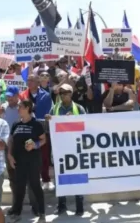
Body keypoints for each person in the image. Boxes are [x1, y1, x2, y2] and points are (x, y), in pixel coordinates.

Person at [45, 84, 86, 215]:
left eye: (66, 92)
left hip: (75, 149)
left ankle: (79, 206)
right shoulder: (54, 109)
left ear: (71, 94)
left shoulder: (79, 108)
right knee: (60, 178)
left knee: (78, 178)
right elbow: (48, 129)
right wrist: (48, 121)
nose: (63, 95)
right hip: (59, 149)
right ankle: (61, 205)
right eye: (61, 93)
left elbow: (87, 126)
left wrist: (73, 120)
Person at [8, 99, 48, 222]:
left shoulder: (36, 124)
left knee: (35, 185)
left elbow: (43, 140)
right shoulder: (16, 124)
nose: (18, 109)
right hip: (19, 161)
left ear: (27, 108)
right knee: (19, 187)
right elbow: (11, 140)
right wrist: (10, 155)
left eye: (20, 107)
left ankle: (41, 213)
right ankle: (17, 212)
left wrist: (34, 145)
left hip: (33, 161)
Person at [18, 76, 53, 190]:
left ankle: (46, 179)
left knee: (44, 156)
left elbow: (49, 112)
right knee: (28, 155)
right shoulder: (22, 95)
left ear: (38, 83)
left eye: (32, 80)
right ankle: (31, 179)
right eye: (28, 80)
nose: (29, 82)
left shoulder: (46, 95)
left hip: (42, 130)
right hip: (27, 130)